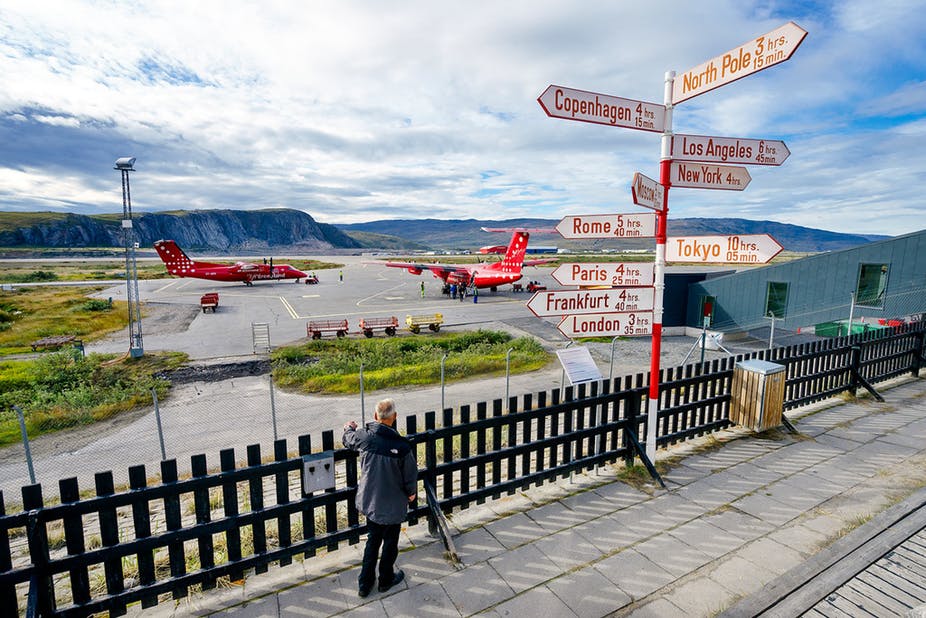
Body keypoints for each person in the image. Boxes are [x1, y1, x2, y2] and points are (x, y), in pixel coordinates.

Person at [342, 399, 418, 598]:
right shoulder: (402, 446)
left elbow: (348, 438)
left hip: (372, 502)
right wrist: (411, 493)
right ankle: (385, 579)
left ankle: (364, 585)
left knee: (372, 541)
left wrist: (349, 428)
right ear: (394, 417)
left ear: (376, 416)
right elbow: (410, 475)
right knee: (390, 542)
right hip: (393, 503)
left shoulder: (366, 439)